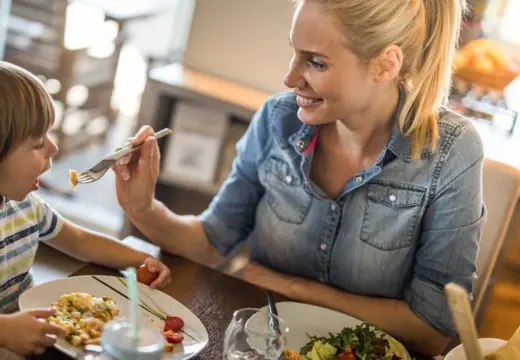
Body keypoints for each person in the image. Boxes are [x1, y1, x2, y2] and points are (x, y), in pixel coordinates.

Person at [113, 0, 483, 356]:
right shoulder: (278, 118)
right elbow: (212, 241)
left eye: (316, 62)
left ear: (386, 65)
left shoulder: (451, 151)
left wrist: (288, 287)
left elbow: (432, 329)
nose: (290, 78)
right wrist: (142, 207)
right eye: (295, 52)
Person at [0, 56, 171, 357]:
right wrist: (2, 330)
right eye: (37, 143)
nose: (54, 148)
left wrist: (138, 259)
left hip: (23, 336)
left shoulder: (24, 207)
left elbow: (80, 241)